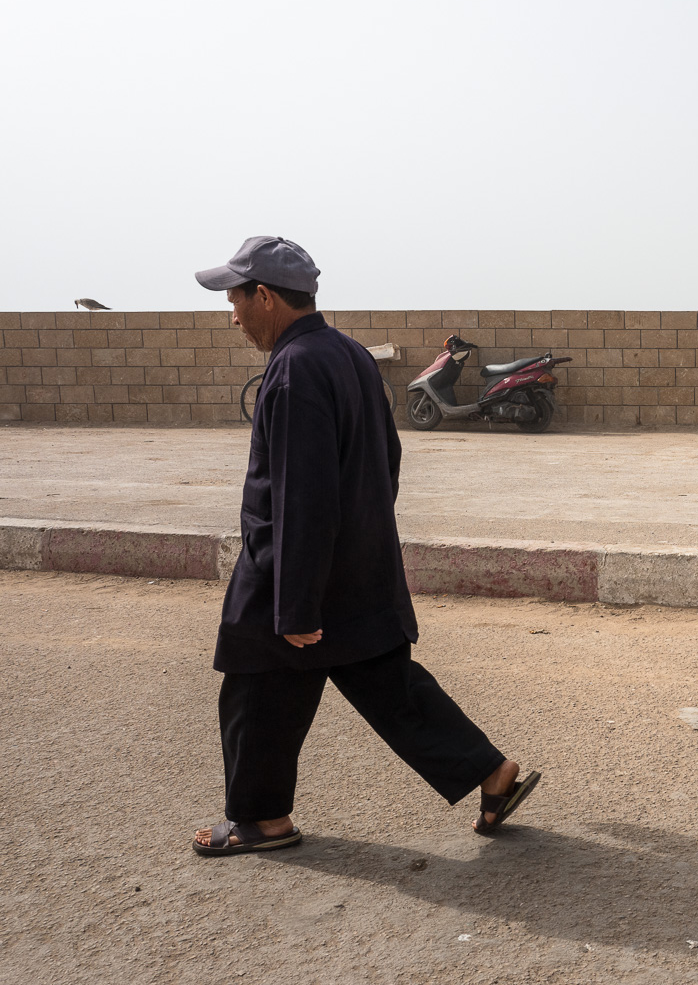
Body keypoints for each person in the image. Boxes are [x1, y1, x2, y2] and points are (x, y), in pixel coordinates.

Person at [189, 236, 540, 856]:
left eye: (236, 299)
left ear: (265, 296)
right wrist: (363, 536)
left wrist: (295, 602)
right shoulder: (349, 356)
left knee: (256, 679)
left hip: (294, 569)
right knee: (381, 677)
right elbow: (387, 461)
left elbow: (302, 493)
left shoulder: (294, 369)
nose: (233, 315)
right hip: (353, 560)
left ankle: (262, 820)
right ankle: (493, 775)